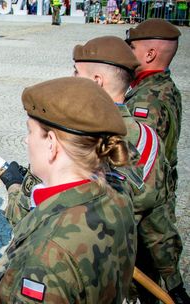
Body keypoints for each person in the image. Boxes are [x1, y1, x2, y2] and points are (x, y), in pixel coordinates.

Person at [0, 77, 136, 303]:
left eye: (31, 131)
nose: (26, 141)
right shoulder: (117, 197)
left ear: (52, 144)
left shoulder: (47, 256)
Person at [73, 36, 189, 304]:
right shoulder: (147, 137)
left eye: (77, 73)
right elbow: (157, 217)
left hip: (87, 275)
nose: (72, 79)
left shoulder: (80, 140)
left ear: (97, 81)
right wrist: (174, 283)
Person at [124, 18, 189, 303]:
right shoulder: (164, 87)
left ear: (149, 54)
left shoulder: (145, 102)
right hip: (160, 199)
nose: (127, 54)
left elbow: (142, 175)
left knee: (144, 283)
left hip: (145, 215)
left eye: (132, 48)